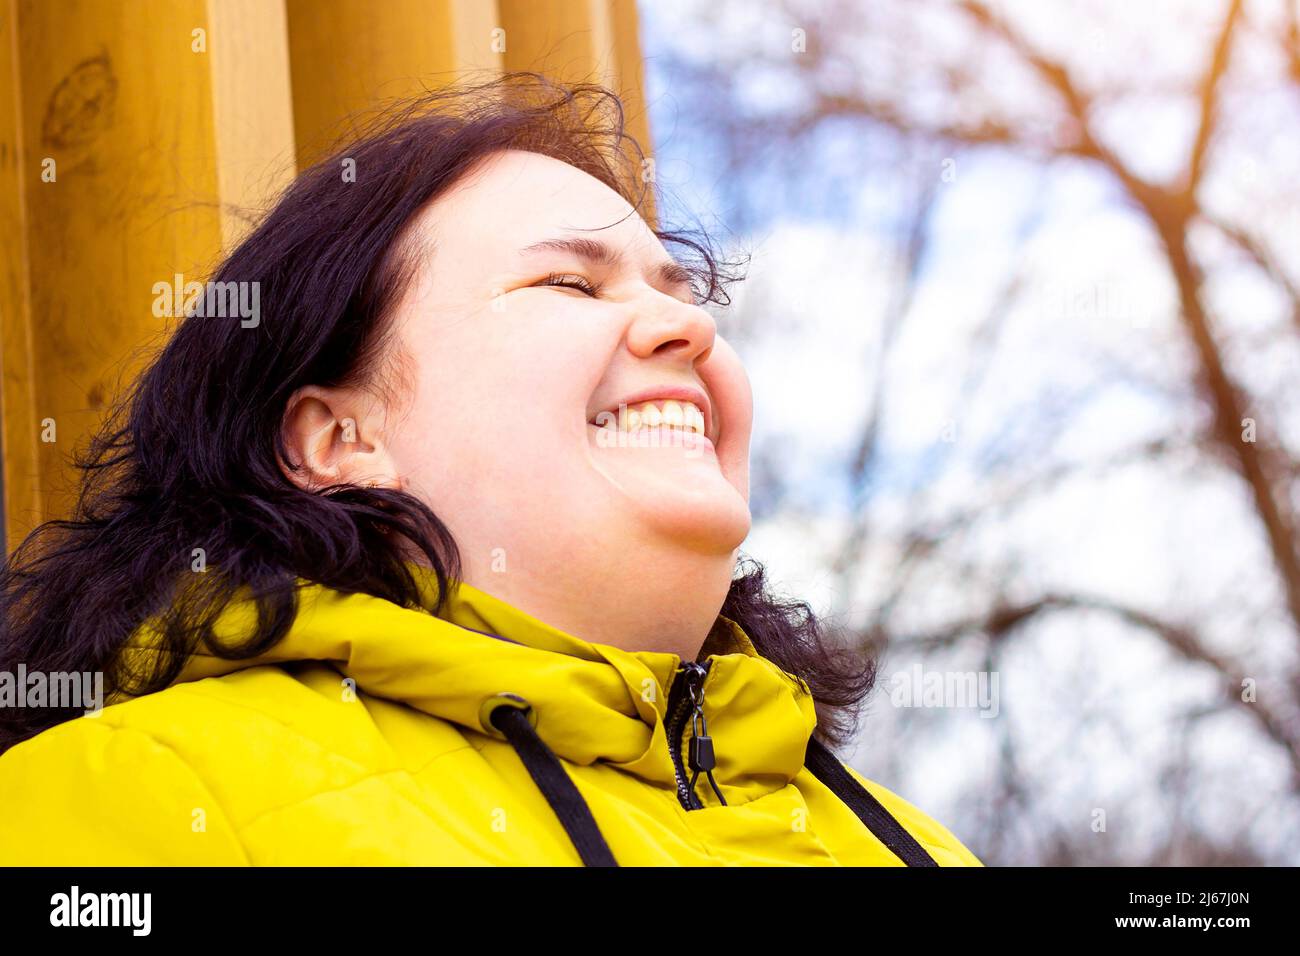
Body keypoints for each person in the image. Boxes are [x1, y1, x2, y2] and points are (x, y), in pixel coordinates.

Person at [0, 73, 982, 867]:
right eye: (571, 282)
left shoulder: (918, 845)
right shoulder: (140, 794)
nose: (688, 326)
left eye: (681, 293)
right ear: (340, 440)